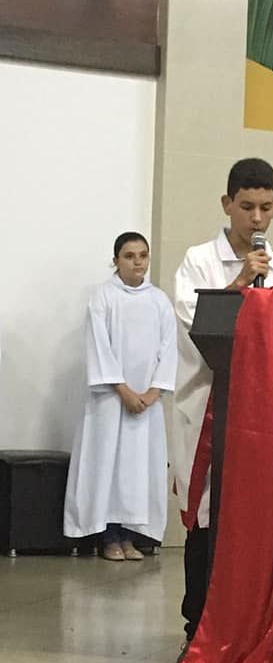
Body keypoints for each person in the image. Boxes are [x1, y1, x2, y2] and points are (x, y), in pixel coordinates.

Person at [173, 157, 273, 653]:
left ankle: (250, 626)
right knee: (207, 516)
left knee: (255, 518)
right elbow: (197, 325)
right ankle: (197, 627)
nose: (257, 218)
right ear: (227, 204)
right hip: (208, 407)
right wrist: (240, 283)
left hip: (262, 412)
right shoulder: (197, 260)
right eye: (247, 207)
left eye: (266, 207)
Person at [64, 232, 177, 560]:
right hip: (111, 401)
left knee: (137, 469)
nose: (137, 262)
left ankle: (130, 537)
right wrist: (124, 390)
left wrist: (153, 392)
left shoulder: (159, 301)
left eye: (143, 255)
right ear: (116, 260)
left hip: (146, 403)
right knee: (109, 467)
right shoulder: (103, 297)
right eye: (129, 256)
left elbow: (169, 349)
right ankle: (109, 538)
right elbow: (99, 346)